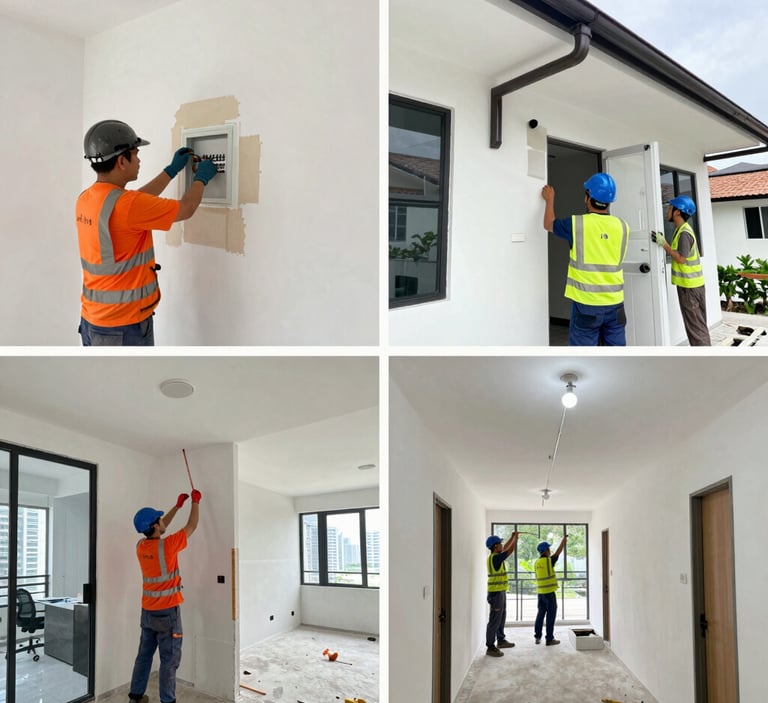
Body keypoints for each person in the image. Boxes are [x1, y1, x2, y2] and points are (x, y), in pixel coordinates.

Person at [77, 120, 218, 346]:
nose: (139, 159)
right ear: (122, 161)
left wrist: (170, 171)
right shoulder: (128, 205)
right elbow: (186, 209)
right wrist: (201, 178)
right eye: (136, 153)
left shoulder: (87, 198)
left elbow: (136, 204)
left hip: (93, 321)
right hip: (124, 325)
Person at [129, 488, 202, 703]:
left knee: (144, 656)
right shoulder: (168, 546)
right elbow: (191, 526)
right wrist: (195, 503)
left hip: (148, 612)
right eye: (159, 519)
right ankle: (168, 701)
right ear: (154, 525)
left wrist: (177, 506)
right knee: (169, 660)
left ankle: (135, 696)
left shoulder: (141, 546)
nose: (162, 521)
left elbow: (161, 528)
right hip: (168, 613)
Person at [542, 173, 630, 345]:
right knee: (618, 357)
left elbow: (548, 224)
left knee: (583, 356)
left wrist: (550, 200)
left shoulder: (577, 224)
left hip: (587, 305)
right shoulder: (623, 226)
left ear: (587, 197)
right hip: (615, 304)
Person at [652, 196, 711, 346]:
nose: (667, 210)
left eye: (670, 208)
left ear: (678, 212)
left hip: (690, 288)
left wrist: (664, 244)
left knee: (696, 329)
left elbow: (681, 258)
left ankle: (706, 362)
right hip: (692, 286)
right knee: (698, 325)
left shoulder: (684, 233)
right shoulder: (681, 230)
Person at [485, 531, 519, 656]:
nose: (502, 545)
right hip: (496, 594)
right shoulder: (496, 558)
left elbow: (505, 548)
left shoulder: (495, 556)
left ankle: (501, 640)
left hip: (500, 592)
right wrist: (516, 540)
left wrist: (512, 537)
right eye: (500, 543)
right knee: (494, 620)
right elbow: (509, 551)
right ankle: (490, 646)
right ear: (495, 546)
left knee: (501, 617)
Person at [534, 536, 567, 646]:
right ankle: (549, 639)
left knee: (540, 614)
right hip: (549, 593)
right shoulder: (549, 561)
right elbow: (558, 552)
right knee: (550, 616)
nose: (550, 551)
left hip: (540, 593)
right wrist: (563, 541)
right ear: (546, 551)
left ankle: (537, 637)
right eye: (549, 549)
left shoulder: (537, 563)